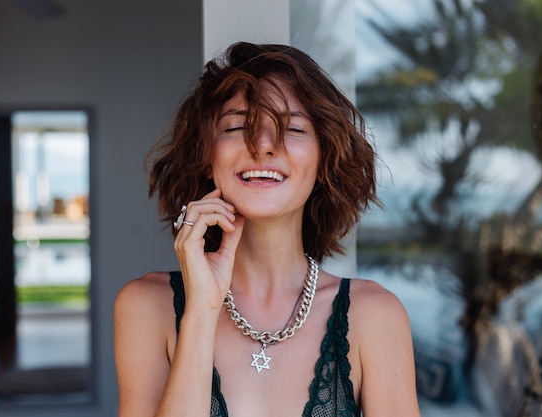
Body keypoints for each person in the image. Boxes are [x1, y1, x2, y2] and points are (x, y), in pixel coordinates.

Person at [114, 41, 421, 417]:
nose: (262, 145)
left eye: (292, 127)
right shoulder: (145, 306)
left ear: (323, 160)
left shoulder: (376, 315)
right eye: (237, 125)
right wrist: (201, 309)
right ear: (208, 157)